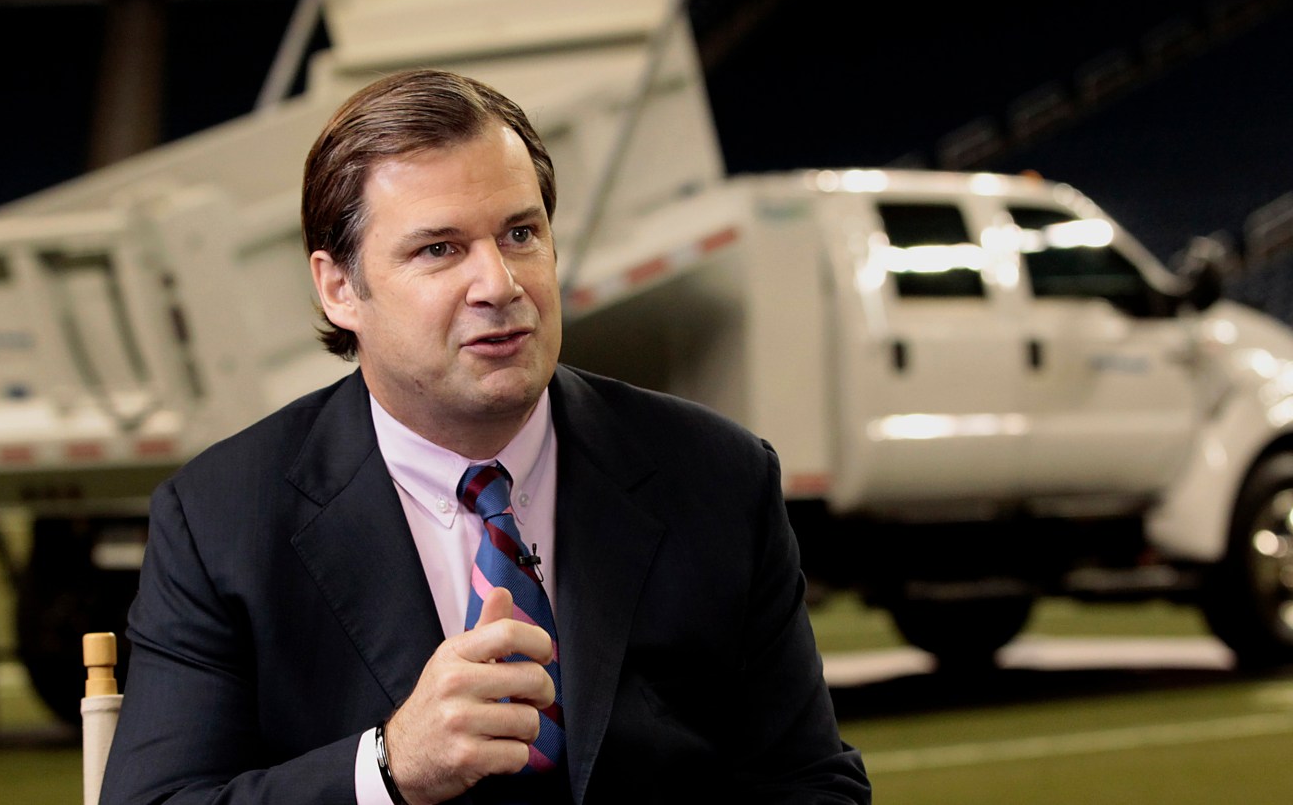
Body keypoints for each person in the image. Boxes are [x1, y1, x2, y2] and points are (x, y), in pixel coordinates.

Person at [102, 70, 871, 805]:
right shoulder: (222, 520)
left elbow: (810, 782)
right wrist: (390, 768)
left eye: (520, 233)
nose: (500, 284)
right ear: (339, 288)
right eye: (439, 249)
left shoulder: (716, 477)